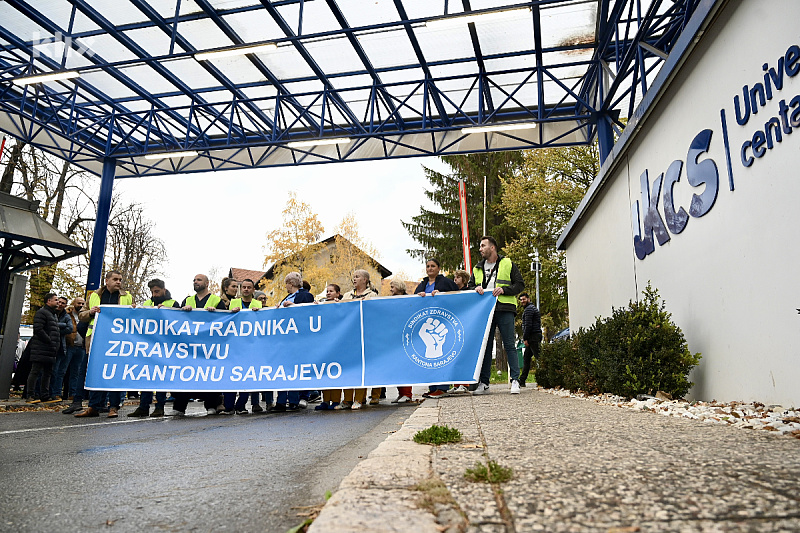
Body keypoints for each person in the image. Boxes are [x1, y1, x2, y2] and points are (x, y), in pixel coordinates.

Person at [469, 236, 525, 395]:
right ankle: (484, 382)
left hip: (505, 308)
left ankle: (515, 380)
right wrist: (475, 289)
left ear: (492, 247)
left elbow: (520, 284)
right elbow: (470, 285)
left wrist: (504, 290)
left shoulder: (508, 263)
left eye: (483, 246)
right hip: (486, 310)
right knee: (486, 346)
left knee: (509, 344)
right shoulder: (477, 268)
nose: (480, 249)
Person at [75, 270, 133, 418]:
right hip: (97, 340)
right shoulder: (94, 296)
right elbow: (81, 315)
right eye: (115, 279)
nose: (118, 282)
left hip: (118, 341)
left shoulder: (127, 297)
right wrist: (90, 312)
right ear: (106, 281)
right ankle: (93, 406)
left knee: (114, 373)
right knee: (96, 373)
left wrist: (133, 311)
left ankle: (113, 407)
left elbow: (134, 317)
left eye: (120, 279)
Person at [170, 274, 228, 417]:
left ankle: (211, 405)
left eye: (199, 280)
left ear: (207, 283)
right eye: (194, 280)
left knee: (207, 374)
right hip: (189, 347)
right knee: (186, 374)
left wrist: (216, 314)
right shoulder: (188, 300)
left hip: (208, 348)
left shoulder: (216, 301)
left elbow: (225, 322)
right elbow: (179, 320)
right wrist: (183, 310)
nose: (195, 282)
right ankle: (179, 407)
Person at [128, 279, 180, 418]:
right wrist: (133, 310)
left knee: (160, 377)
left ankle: (159, 407)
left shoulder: (173, 304)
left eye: (156, 291)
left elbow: (179, 323)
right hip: (149, 346)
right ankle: (143, 407)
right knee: (147, 376)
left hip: (165, 346)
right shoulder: (147, 304)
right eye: (152, 292)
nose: (154, 294)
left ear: (164, 289)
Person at [271, 272, 314, 413]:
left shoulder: (305, 295)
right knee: (285, 369)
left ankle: (294, 400)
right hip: (286, 339)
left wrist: (294, 305)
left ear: (292, 283)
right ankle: (281, 402)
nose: (286, 287)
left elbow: (309, 313)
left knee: (295, 369)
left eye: (287, 283)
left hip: (299, 339)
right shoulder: (287, 297)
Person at [416, 259, 459, 399]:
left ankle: (443, 387)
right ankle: (433, 387)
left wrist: (442, 295)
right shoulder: (422, 284)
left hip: (441, 324)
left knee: (441, 355)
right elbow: (412, 300)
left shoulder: (445, 282)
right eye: (428, 266)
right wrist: (419, 296)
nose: (430, 268)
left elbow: (457, 296)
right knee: (429, 357)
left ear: (439, 268)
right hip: (426, 323)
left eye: (433, 266)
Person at [337, 270, 377, 410]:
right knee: (348, 368)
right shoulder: (347, 295)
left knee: (361, 368)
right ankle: (347, 399)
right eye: (353, 276)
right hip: (348, 337)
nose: (354, 279)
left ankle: (359, 399)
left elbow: (374, 312)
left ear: (365, 279)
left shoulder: (372, 295)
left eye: (357, 276)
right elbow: (339, 312)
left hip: (363, 336)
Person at [227, 279, 263, 415]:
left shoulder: (258, 304)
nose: (246, 289)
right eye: (244, 287)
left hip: (251, 346)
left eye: (249, 287)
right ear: (241, 290)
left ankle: (241, 405)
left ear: (253, 290)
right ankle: (229, 406)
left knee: (247, 377)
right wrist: (231, 312)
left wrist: (259, 313)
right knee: (232, 376)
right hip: (235, 346)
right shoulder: (233, 303)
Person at [25, 293, 61, 404]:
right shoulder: (42, 313)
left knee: (47, 372)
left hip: (50, 349)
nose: (58, 303)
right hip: (41, 348)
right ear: (48, 301)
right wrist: (49, 340)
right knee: (35, 371)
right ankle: (30, 395)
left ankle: (45, 395)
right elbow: (38, 329)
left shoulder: (53, 315)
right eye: (56, 300)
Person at [315, 284, 343, 411]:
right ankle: (325, 400)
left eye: (331, 291)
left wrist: (340, 304)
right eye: (327, 291)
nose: (328, 293)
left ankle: (336, 400)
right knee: (325, 372)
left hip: (337, 343)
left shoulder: (341, 304)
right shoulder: (321, 304)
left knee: (335, 371)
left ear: (338, 293)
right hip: (323, 343)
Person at [387, 280, 414, 404]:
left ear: (399, 287)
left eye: (392, 287)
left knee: (405, 366)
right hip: (394, 336)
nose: (391, 289)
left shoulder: (409, 299)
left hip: (405, 336)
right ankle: (401, 393)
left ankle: (407, 394)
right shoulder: (389, 300)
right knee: (397, 366)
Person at [60, 297, 88, 414]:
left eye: (82, 303)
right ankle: (57, 393)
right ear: (73, 304)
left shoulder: (84, 316)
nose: (80, 305)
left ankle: (73, 394)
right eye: (78, 303)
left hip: (81, 347)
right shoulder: (68, 314)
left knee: (76, 373)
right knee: (62, 370)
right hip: (70, 345)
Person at [49, 296, 74, 401]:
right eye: (59, 302)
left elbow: (70, 328)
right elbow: (46, 325)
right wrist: (60, 326)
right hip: (48, 345)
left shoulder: (66, 315)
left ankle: (55, 393)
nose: (60, 304)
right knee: (45, 372)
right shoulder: (50, 312)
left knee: (57, 372)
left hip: (60, 347)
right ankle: (44, 393)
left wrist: (55, 328)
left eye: (63, 303)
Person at [518, 292, 542, 387]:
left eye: (524, 299)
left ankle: (547, 377)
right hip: (534, 336)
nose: (522, 301)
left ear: (529, 299)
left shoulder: (528, 310)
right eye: (521, 300)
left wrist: (525, 338)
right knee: (527, 358)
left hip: (533, 337)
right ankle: (522, 380)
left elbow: (528, 325)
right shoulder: (531, 309)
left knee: (539, 358)